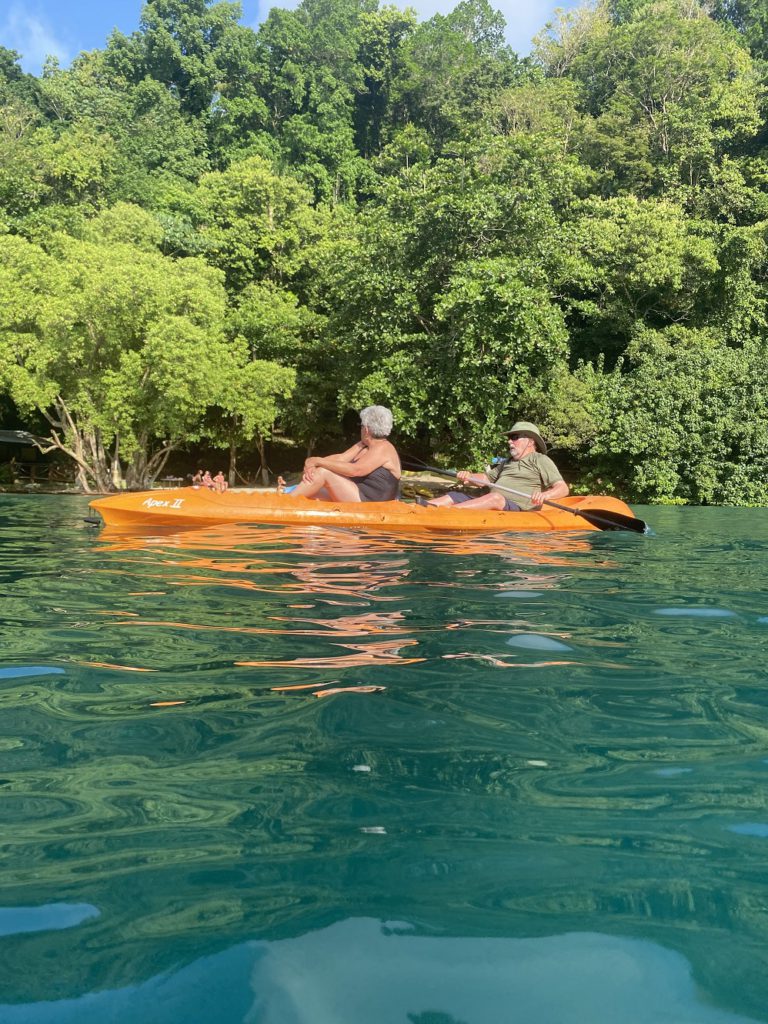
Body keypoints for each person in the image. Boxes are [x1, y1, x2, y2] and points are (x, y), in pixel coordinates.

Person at [421, 421, 569, 512]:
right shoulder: (507, 462)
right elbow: (486, 478)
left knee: (495, 497)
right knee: (453, 496)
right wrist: (469, 476)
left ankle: (444, 513)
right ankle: (418, 509)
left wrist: (545, 495)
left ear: (531, 441)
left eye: (515, 437)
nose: (509, 441)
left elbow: (562, 488)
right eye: (509, 438)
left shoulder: (540, 459)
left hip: (517, 507)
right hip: (492, 501)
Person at [289, 405, 401, 502]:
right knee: (313, 490)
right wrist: (312, 464)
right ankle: (289, 504)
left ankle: (284, 502)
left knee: (324, 472)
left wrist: (318, 461)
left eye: (361, 426)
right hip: (356, 494)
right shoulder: (363, 445)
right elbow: (341, 458)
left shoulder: (384, 448)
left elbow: (355, 470)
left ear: (366, 429)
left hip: (369, 501)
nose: (360, 429)